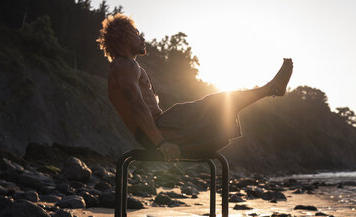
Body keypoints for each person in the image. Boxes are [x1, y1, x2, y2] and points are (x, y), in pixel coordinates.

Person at [98, 13, 293, 161]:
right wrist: (161, 143)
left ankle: (271, 89)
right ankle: (271, 89)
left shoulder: (125, 66)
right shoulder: (124, 65)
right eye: (136, 33)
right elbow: (136, 104)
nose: (142, 38)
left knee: (220, 106)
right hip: (159, 130)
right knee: (220, 102)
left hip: (159, 130)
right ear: (123, 37)